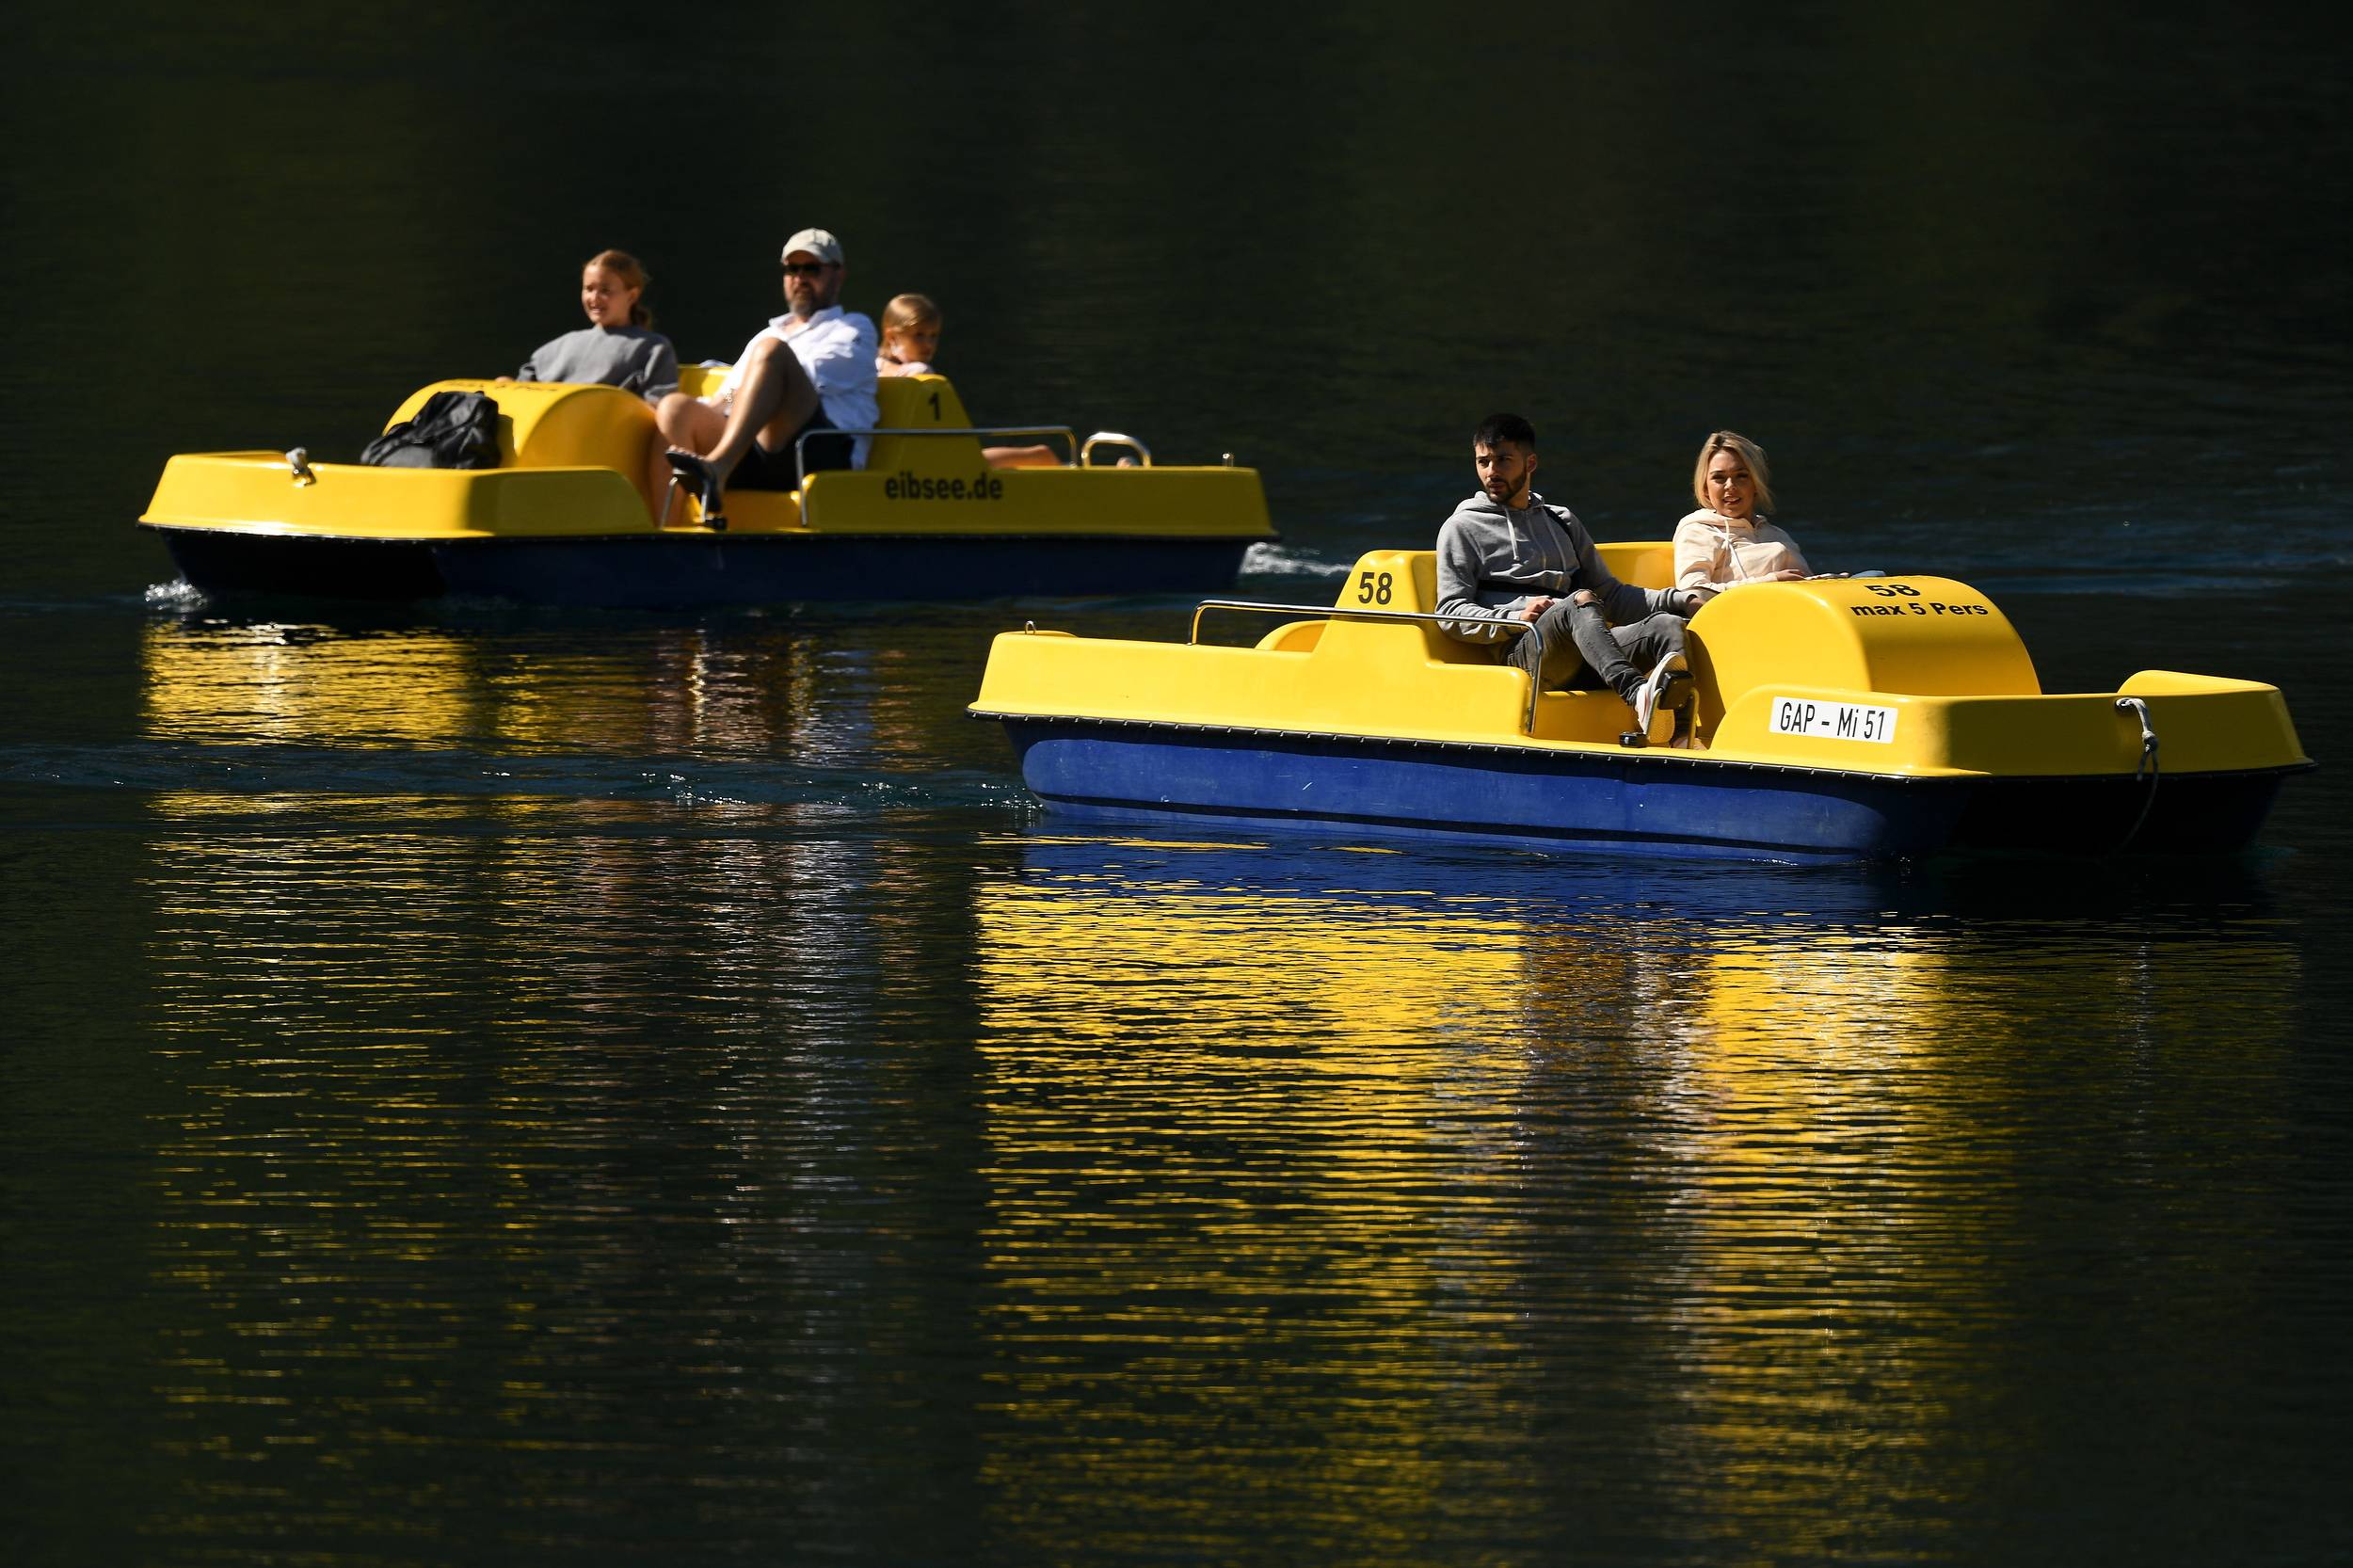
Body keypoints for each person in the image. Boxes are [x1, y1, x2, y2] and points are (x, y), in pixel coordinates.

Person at [1436, 413, 1700, 735]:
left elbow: (1611, 595)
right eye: (1483, 462)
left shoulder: (1561, 521)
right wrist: (1517, 616)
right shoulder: (1462, 527)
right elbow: (1450, 613)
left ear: (1530, 463)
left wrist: (1682, 600)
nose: (1491, 471)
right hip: (1526, 652)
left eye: (1503, 460)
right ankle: (1636, 694)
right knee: (1579, 602)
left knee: (1667, 625)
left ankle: (1681, 736)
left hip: (1584, 650)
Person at [655, 228, 879, 526]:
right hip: (755, 449)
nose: (800, 278)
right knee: (674, 408)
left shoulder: (854, 329)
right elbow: (734, 392)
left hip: (820, 449)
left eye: (811, 268)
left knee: (773, 352)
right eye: (792, 269)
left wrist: (764, 367)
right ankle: (665, 534)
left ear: (838, 275)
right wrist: (715, 407)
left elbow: (802, 376)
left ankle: (719, 468)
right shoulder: (767, 334)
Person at [1673, 429, 1831, 601]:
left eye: (1741, 476)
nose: (1730, 486)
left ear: (1755, 483)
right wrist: (1771, 581)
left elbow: (1807, 590)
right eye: (1719, 478)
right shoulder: (1697, 531)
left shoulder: (1776, 535)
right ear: (1705, 488)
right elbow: (1692, 593)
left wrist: (1829, 582)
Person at [504, 249, 680, 401]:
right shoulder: (557, 347)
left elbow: (658, 405)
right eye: (588, 289)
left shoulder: (652, 348)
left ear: (632, 296)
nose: (594, 299)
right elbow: (521, 394)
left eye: (605, 290)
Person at [875, 293, 940, 376]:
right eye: (919, 335)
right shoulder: (866, 363)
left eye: (933, 336)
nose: (929, 344)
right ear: (892, 337)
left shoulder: (921, 370)